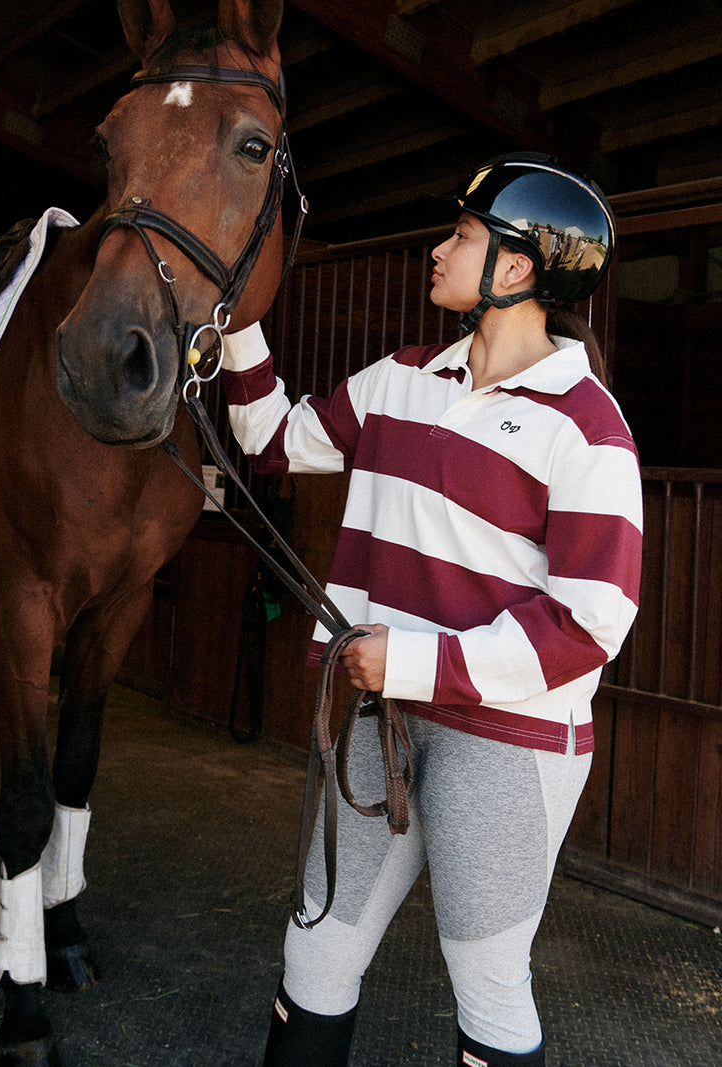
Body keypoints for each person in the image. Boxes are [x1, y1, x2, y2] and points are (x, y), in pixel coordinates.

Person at [220, 153, 642, 1067]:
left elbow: (590, 623)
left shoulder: (588, 428)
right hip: (387, 718)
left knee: (488, 984)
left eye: (462, 234)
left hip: (510, 743)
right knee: (316, 946)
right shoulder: (398, 380)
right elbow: (272, 440)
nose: (439, 248)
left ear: (519, 268)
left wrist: (407, 661)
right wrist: (239, 313)